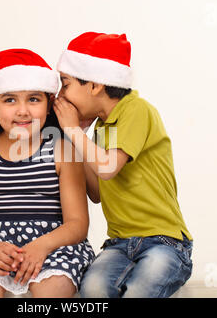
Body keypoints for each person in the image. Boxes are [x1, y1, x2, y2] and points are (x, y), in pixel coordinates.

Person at [0, 49, 95, 298]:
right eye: (10, 100)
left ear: (49, 105)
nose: (22, 111)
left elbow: (77, 223)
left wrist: (42, 246)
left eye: (34, 99)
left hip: (53, 246)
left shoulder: (62, 150)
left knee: (54, 288)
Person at [53, 32, 193, 298]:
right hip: (119, 245)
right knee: (92, 289)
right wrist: (73, 138)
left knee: (140, 290)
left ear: (94, 85)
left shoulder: (136, 109)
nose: (61, 95)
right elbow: (96, 191)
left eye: (66, 84)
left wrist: (74, 131)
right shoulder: (103, 127)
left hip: (164, 242)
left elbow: (107, 167)